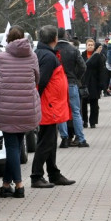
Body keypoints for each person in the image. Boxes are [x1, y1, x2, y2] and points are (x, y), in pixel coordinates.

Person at [0, 27, 41, 198]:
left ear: (8, 39)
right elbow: (37, 77)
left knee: (11, 146)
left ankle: (19, 185)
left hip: (6, 108)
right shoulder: (32, 56)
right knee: (16, 146)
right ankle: (5, 185)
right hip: (26, 107)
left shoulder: (1, 57)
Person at [31, 25, 75, 188]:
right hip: (48, 105)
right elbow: (41, 82)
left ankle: (54, 173)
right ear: (55, 38)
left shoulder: (42, 53)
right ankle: (36, 176)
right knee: (46, 142)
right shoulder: (48, 57)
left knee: (49, 140)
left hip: (49, 104)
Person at [55, 29, 88, 148]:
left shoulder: (53, 50)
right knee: (76, 111)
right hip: (72, 82)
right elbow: (83, 66)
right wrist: (76, 77)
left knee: (61, 111)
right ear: (67, 36)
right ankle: (81, 138)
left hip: (58, 84)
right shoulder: (73, 50)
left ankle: (64, 139)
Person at [80, 38, 109, 129]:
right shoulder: (82, 55)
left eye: (92, 45)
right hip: (84, 82)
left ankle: (93, 121)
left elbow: (101, 70)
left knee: (94, 103)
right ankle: (84, 121)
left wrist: (102, 84)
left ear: (94, 46)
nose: (90, 46)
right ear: (86, 46)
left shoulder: (98, 56)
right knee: (83, 103)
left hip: (94, 82)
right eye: (89, 45)